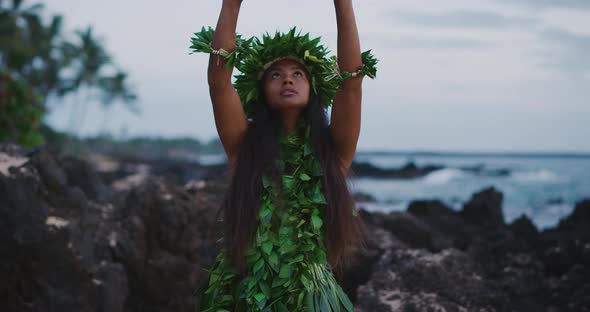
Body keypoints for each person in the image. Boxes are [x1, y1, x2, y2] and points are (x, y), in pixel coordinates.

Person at [189, 0, 377, 310]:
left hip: (312, 297)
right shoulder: (243, 148)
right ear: (261, 91)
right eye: (275, 75)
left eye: (297, 74)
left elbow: (352, 82)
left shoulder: (333, 154)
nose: (287, 79)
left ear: (313, 88)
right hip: (244, 294)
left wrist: (343, 4)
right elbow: (219, 80)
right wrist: (232, 4)